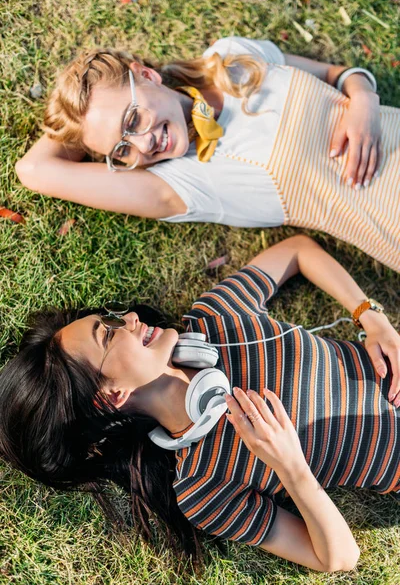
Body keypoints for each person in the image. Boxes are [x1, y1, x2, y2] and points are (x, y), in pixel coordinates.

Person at [1, 234, 399, 572]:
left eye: (112, 316)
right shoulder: (203, 488)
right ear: (110, 397)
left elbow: (298, 250)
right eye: (108, 334)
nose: (129, 318)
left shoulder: (216, 318)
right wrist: (291, 466)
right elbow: (338, 557)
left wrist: (372, 318)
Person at [15, 37, 399, 272]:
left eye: (133, 118)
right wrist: (76, 121)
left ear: (147, 75)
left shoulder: (230, 56)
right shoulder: (184, 184)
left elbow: (337, 74)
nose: (143, 143)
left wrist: (363, 96)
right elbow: (34, 169)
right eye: (122, 148)